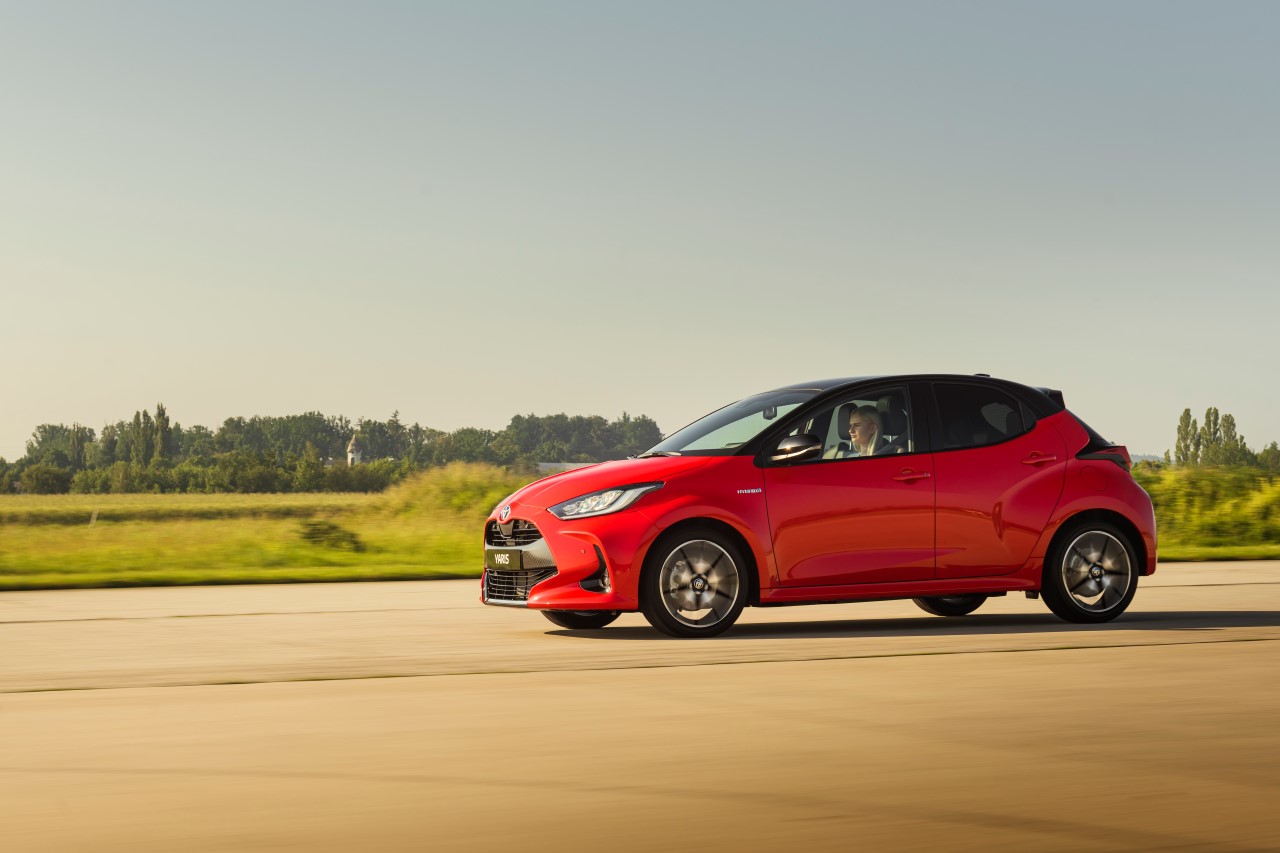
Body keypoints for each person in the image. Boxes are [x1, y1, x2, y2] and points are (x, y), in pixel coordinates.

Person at [826, 405, 898, 459]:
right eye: (851, 425)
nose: (850, 430)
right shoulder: (849, 458)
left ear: (872, 428)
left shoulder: (891, 458)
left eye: (856, 425)